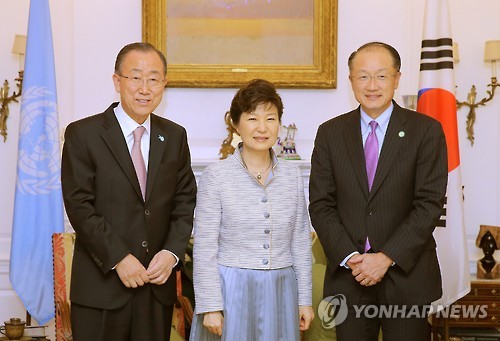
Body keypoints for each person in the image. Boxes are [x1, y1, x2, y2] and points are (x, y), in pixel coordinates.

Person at [309, 42, 448, 340]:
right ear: (351, 81)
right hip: (350, 276)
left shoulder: (426, 131)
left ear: (397, 79)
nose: (372, 86)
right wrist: (352, 258)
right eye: (363, 76)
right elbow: (321, 204)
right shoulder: (330, 133)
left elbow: (429, 204)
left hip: (407, 277)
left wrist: (385, 258)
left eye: (381, 76)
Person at [61, 42, 197, 341]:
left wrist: (172, 252)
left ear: (164, 84)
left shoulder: (174, 136)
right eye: (135, 77)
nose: (144, 88)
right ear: (117, 81)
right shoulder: (83, 134)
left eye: (153, 79)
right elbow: (79, 204)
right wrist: (119, 258)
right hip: (101, 289)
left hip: (154, 287)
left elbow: (184, 201)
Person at [189, 79, 314, 341]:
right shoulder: (216, 176)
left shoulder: (292, 175)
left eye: (270, 118)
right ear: (236, 124)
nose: (262, 127)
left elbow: (300, 242)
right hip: (231, 290)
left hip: (281, 290)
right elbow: (205, 246)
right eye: (252, 118)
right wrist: (211, 306)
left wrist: (304, 300)